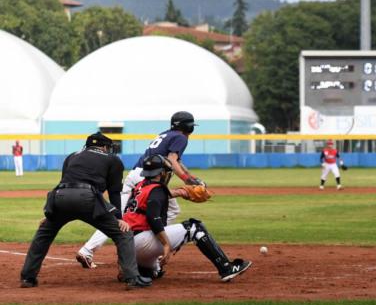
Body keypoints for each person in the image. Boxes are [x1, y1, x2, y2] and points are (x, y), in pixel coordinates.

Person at [19, 132, 152, 289]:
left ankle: (28, 277)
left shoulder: (72, 156)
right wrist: (118, 218)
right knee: (123, 233)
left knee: (44, 234)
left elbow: (64, 183)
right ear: (104, 147)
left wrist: (49, 214)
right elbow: (114, 192)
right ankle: (131, 278)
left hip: (60, 197)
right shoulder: (112, 160)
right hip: (87, 198)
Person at [76, 111, 205, 269]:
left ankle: (88, 250)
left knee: (121, 216)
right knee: (165, 211)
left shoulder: (167, 134)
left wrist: (192, 178)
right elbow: (172, 160)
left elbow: (176, 161)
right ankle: (154, 243)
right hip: (146, 178)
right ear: (188, 127)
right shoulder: (180, 137)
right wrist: (188, 180)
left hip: (137, 174)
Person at [123, 154, 252, 282]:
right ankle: (227, 268)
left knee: (151, 272)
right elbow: (153, 218)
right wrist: (166, 244)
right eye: (166, 172)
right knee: (194, 227)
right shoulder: (156, 189)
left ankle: (142, 270)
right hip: (142, 243)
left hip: (128, 246)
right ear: (161, 173)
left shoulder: (139, 186)